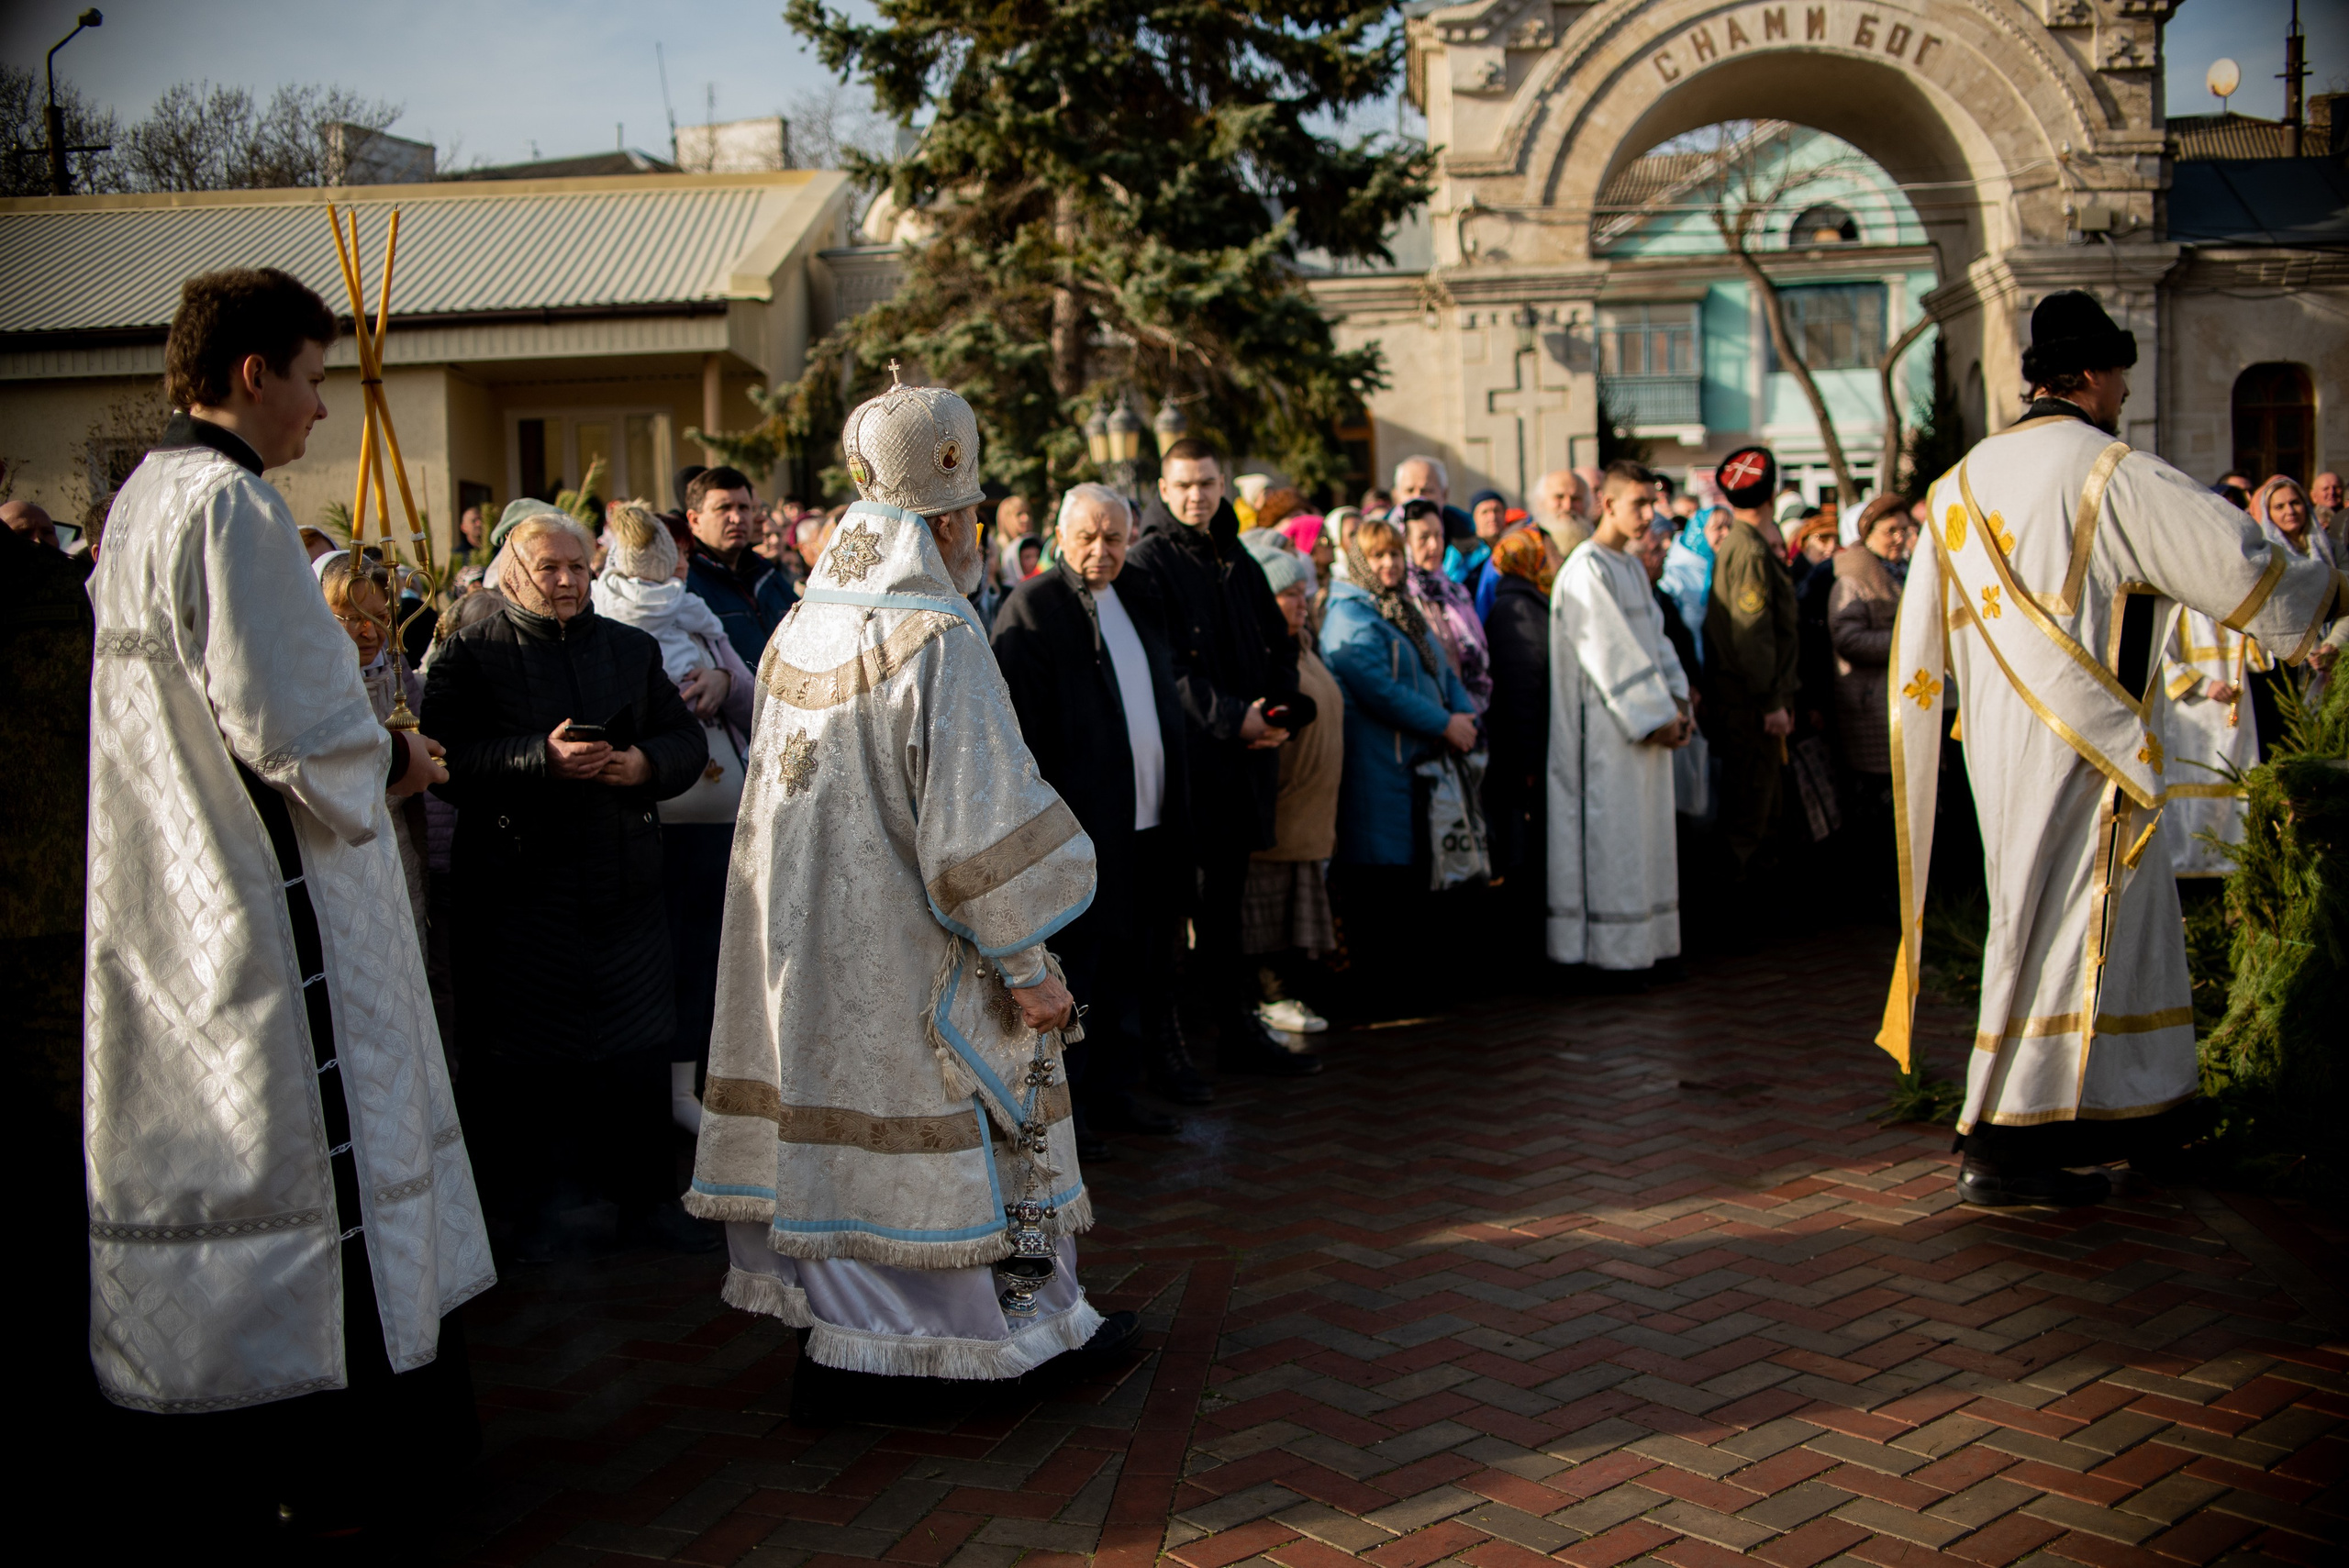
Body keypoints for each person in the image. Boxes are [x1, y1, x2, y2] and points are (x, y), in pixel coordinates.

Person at [83, 267, 491, 1545]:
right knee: (325, 1178)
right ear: (252, 372)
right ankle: (354, 1468)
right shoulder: (231, 508)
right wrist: (399, 756)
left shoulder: (141, 500)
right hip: (273, 906)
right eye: (314, 378)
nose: (323, 411)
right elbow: (298, 736)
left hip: (181, 895)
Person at [686, 373, 1138, 1415]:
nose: (974, 528)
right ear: (947, 517)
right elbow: (977, 828)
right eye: (969, 513)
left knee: (842, 1140)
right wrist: (1026, 966)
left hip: (809, 964)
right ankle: (989, 1341)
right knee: (996, 1114)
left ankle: (849, 1343)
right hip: (920, 962)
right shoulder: (938, 640)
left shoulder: (799, 624)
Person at [1881, 290, 2347, 1208]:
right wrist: (2322, 579)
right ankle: (2009, 1140)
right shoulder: (2106, 471)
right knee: (2065, 923)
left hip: (2003, 744)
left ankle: (2147, 1111)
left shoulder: (1956, 484)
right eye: (2121, 372)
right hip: (2089, 746)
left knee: (2099, 925)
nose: (2126, 389)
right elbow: (2242, 568)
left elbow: (1923, 644)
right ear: (2091, 373)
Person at [421, 511, 714, 1260]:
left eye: (577, 567)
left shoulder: (629, 646)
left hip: (623, 888)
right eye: (548, 567)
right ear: (511, 571)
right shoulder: (468, 654)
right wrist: (536, 760)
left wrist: (643, 765)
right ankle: (525, 1216)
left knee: (638, 1051)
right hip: (522, 893)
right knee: (522, 1063)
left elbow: (683, 741)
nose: (564, 580)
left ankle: (646, 1205)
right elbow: (447, 762)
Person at [992, 484, 1193, 1150]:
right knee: (1082, 970)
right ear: (1060, 534)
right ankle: (1065, 1112)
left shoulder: (1140, 595)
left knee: (1132, 963)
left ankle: (1115, 1091)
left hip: (1149, 818)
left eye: (1115, 537)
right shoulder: (1034, 607)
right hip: (1076, 833)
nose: (1102, 551)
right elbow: (1019, 736)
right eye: (1088, 537)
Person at [1125, 437, 1318, 1078]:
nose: (1195, 496)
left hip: (1246, 761)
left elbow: (1277, 638)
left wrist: (1281, 708)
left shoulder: (1235, 552)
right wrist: (1235, 717)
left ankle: (1235, 1033)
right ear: (1162, 486)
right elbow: (1168, 671)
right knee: (1181, 913)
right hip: (1190, 772)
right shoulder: (1149, 560)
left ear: (1223, 482)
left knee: (1226, 909)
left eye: (1206, 483)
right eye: (1183, 485)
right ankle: (1174, 1044)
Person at [590, 501, 757, 1134]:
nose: (678, 569)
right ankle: (640, 1103)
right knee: (645, 965)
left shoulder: (697, 616)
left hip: (718, 821)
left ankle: (687, 1084)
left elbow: (751, 698)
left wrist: (721, 679)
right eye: (670, 556)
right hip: (641, 821)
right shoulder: (604, 619)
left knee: (702, 960)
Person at [1321, 517, 1478, 1014]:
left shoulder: (1398, 609)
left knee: (1411, 884)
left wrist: (1463, 711)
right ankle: (1384, 994)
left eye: (1395, 554)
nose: (1390, 564)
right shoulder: (1349, 616)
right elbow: (1380, 690)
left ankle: (1415, 983)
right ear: (1361, 562)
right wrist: (1444, 724)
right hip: (1377, 774)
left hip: (1414, 772)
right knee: (1380, 889)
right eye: (1379, 556)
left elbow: (1440, 666)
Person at [1545, 462, 1693, 973]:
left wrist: (1678, 702)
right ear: (1607, 505)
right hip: (1606, 739)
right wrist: (1656, 715)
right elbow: (1609, 653)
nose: (1649, 515)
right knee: (1611, 839)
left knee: (1645, 840)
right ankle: (1607, 954)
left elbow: (1656, 642)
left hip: (1647, 730)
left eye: (1653, 504)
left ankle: (1645, 947)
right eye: (1639, 504)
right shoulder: (1586, 569)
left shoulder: (1629, 566)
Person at [1239, 539, 1345, 1034]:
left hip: (1309, 816)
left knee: (1295, 912)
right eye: (1289, 595)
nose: (1302, 602)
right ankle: (1270, 996)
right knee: (1268, 914)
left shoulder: (1303, 646)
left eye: (1305, 593)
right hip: (1278, 813)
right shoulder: (1259, 652)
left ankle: (1291, 992)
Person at [1705, 446, 1800, 899]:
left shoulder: (1749, 545)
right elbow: (1752, 634)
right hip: (1750, 705)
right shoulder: (1748, 551)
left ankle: (1757, 905)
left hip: (1753, 701)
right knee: (1749, 811)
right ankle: (1737, 912)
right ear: (1773, 491)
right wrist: (1772, 701)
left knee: (1764, 806)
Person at [1829, 495, 1909, 917]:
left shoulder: (1901, 572)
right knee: (1877, 811)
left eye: (1903, 529)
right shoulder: (1855, 577)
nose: (1899, 538)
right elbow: (1847, 638)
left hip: (1902, 702)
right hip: (1870, 708)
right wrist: (1908, 643)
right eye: (1889, 531)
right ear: (1868, 536)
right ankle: (1877, 899)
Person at [1479, 527, 1555, 961]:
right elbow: (1522, 692)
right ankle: (1522, 949)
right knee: (1520, 855)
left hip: (1521, 755)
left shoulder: (1523, 602)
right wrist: (1529, 762)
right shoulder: (1516, 612)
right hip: (1520, 760)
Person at [684, 465, 796, 669]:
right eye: (723, 508)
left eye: (744, 508)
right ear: (694, 519)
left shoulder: (768, 574)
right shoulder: (684, 582)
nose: (737, 518)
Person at [1400, 499, 1493, 710]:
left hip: (1471, 713)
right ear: (1404, 542)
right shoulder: (1401, 599)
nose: (1434, 545)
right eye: (1423, 538)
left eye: (1438, 535)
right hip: (1428, 715)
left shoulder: (1455, 591)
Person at [1394, 453, 1471, 538]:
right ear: (1397, 496)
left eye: (1426, 490)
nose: (1417, 497)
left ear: (1444, 494)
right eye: (1410, 490)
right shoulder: (1380, 534)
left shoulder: (1470, 532)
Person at [1534, 469, 1593, 562]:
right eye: (1559, 497)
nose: (1568, 506)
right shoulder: (1528, 548)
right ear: (1541, 503)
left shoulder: (1597, 549)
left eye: (1575, 499)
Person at [2313, 470, 2345, 558]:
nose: (2332, 492)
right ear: (2314, 496)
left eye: (2336, 487)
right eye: (2326, 489)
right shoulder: (2309, 523)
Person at [449, 504, 489, 570]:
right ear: (464, 528)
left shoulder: (496, 550)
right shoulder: (459, 555)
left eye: (481, 519)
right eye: (474, 521)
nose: (479, 523)